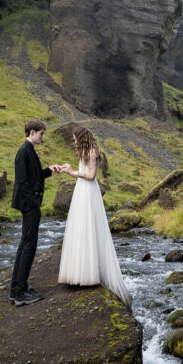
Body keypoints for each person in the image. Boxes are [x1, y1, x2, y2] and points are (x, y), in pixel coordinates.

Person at [57, 126, 132, 310]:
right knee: (80, 227)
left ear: (81, 137)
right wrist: (71, 169)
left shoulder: (91, 151)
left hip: (88, 191)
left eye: (75, 138)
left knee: (88, 227)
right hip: (81, 191)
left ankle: (88, 274)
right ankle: (78, 272)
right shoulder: (85, 151)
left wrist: (72, 172)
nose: (73, 141)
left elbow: (90, 176)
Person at [9, 119, 61, 306]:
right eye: (40, 133)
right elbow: (22, 182)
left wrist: (50, 170)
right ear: (31, 132)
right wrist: (34, 203)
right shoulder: (24, 152)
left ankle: (16, 289)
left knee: (25, 245)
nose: (42, 137)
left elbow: (35, 175)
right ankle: (19, 293)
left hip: (30, 205)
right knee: (28, 247)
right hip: (29, 206)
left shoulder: (28, 150)